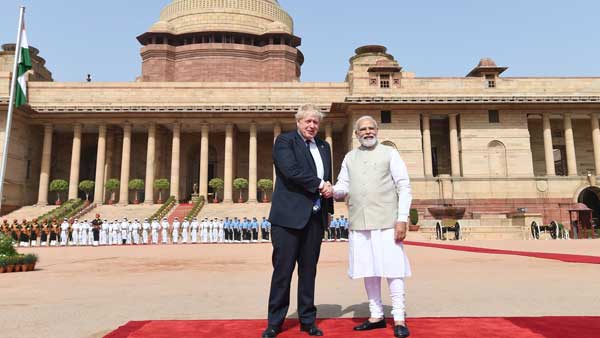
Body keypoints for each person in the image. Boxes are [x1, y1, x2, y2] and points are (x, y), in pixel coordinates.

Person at [333, 115, 412, 338]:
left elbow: (404, 186)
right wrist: (331, 189)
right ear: (356, 134)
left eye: (371, 128)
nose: (367, 132)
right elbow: (343, 185)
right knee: (369, 270)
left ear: (377, 131)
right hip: (360, 222)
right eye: (363, 129)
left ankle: (398, 317)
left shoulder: (390, 153)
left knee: (394, 270)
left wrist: (402, 218)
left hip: (387, 220)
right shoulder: (350, 157)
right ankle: (376, 315)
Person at [263, 104, 334, 338]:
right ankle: (275, 322)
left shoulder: (324, 146)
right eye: (308, 121)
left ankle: (307, 319)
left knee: (308, 271)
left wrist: (329, 210)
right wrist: (320, 185)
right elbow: (291, 171)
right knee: (282, 271)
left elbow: (328, 179)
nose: (312, 125)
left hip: (315, 217)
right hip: (287, 217)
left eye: (316, 122)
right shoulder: (285, 142)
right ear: (298, 122)